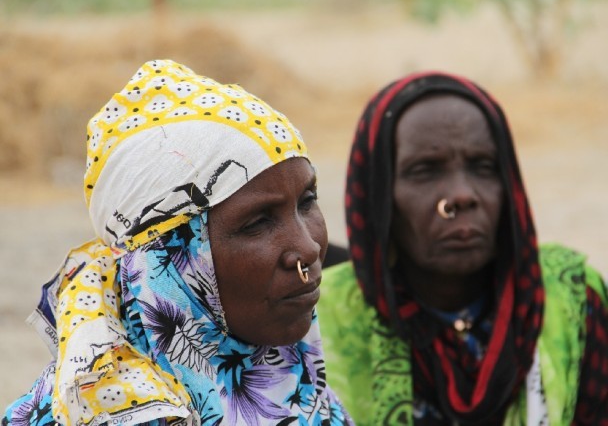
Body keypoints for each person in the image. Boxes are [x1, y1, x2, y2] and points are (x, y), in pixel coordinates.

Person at [3, 60, 353, 426]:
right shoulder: (96, 414)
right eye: (257, 223)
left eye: (307, 201)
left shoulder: (306, 392)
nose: (309, 249)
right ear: (166, 260)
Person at [317, 72, 608, 425]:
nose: (461, 195)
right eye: (425, 170)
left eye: (483, 167)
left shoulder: (575, 301)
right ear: (378, 198)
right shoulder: (315, 326)